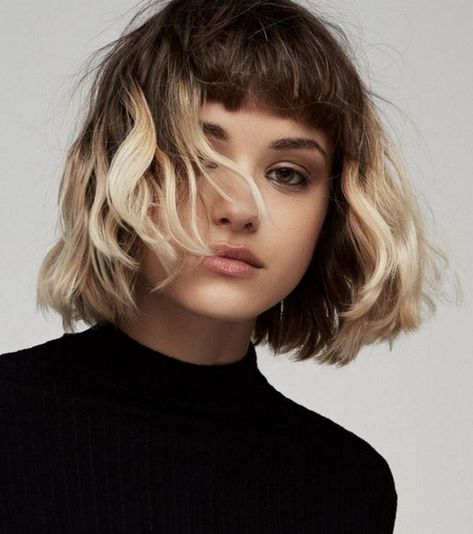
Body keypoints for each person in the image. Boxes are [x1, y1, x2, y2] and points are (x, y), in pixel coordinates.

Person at [0, 0, 449, 532]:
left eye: (287, 173)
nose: (238, 209)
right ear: (120, 168)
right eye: (198, 159)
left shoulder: (347, 485)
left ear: (334, 213)